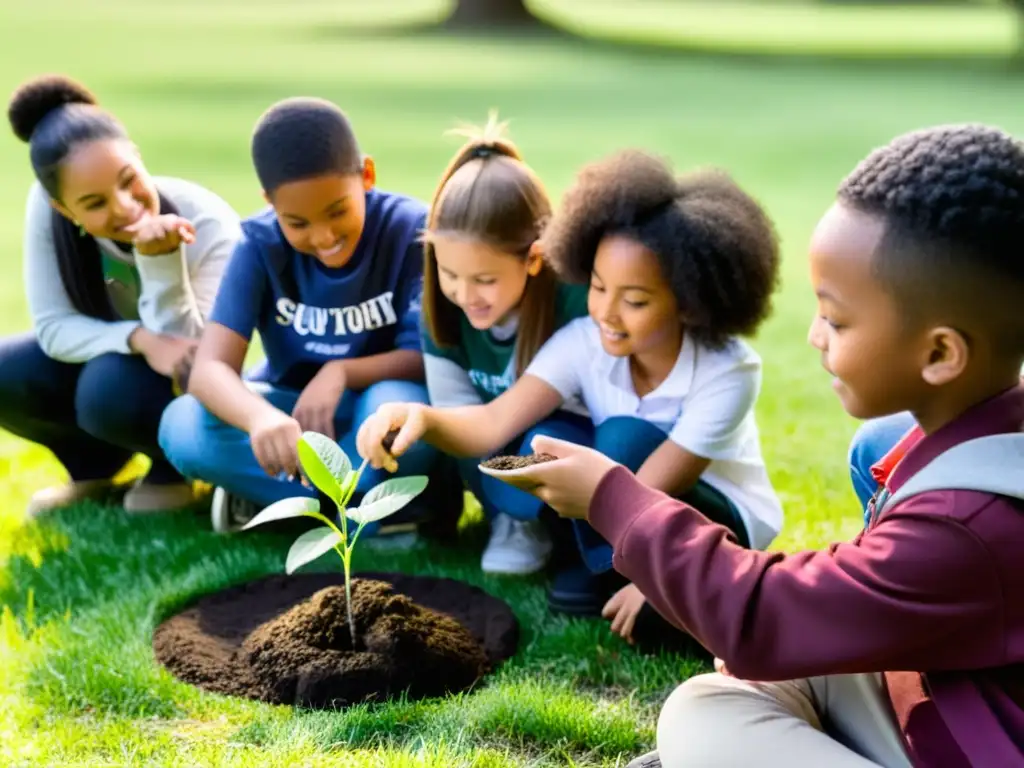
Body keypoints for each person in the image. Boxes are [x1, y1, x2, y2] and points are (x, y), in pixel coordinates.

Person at [491, 124, 1024, 768]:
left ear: (941, 352)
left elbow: (760, 614)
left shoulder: (967, 528)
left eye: (836, 317)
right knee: (751, 680)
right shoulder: (980, 437)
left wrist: (608, 496)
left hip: (976, 741)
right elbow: (822, 600)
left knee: (703, 718)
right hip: (949, 697)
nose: (814, 336)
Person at [357, 149, 783, 638]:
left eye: (636, 300)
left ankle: (686, 574)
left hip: (710, 517)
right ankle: (610, 572)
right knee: (560, 450)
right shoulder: (582, 342)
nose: (607, 312)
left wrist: (656, 577)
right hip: (624, 506)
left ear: (688, 300)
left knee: (620, 438)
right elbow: (495, 423)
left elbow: (658, 482)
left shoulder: (728, 370)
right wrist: (421, 417)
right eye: (598, 289)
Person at [158, 96, 445, 536]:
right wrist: (261, 419)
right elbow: (209, 369)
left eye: (337, 211)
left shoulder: (411, 231)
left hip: (371, 411)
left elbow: (424, 356)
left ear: (366, 175)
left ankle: (291, 501)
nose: (324, 236)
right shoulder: (257, 244)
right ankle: (369, 508)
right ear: (270, 203)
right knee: (181, 422)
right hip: (295, 418)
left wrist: (340, 372)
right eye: (298, 223)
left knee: (399, 411)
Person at [0, 74, 241, 516]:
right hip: (129, 357)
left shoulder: (210, 225)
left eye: (129, 180)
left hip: (191, 388)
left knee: (107, 385)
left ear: (138, 157)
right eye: (94, 203)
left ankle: (175, 468)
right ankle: (93, 470)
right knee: (7, 371)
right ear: (63, 208)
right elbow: (54, 329)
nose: (125, 207)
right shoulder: (46, 210)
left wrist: (160, 260)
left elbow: (194, 356)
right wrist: (139, 340)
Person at [419, 114, 590, 576]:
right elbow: (456, 413)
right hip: (487, 437)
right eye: (450, 274)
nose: (465, 294)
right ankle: (509, 519)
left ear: (534, 258)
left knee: (550, 434)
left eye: (486, 280)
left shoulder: (575, 300)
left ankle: (564, 530)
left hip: (566, 435)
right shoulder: (439, 308)